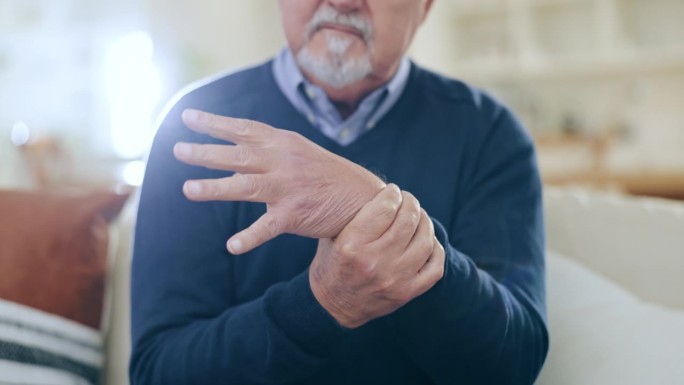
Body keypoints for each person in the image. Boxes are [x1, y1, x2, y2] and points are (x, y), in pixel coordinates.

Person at [130, 0, 549, 384]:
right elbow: (158, 371)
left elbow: (513, 365)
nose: (344, 1)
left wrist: (371, 209)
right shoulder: (196, 129)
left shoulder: (490, 135)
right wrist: (323, 302)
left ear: (424, 8)